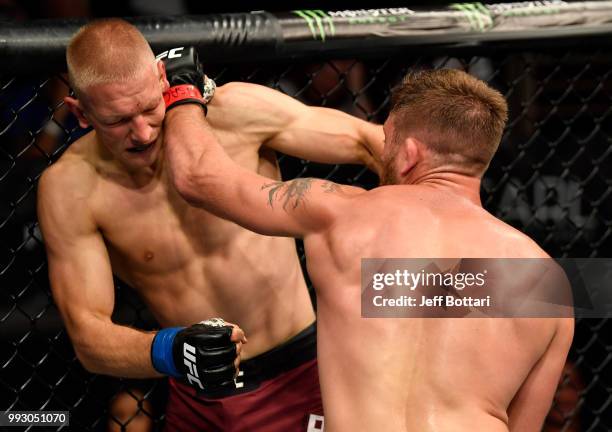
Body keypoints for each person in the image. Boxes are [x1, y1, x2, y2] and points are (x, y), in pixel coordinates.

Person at [163, 67, 575, 431]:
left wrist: (182, 90)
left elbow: (198, 177)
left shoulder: (340, 213)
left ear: (410, 153)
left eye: (388, 142)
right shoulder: (544, 281)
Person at [37, 19, 384, 432]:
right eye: (118, 121)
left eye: (150, 107)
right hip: (198, 396)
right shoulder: (70, 188)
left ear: (162, 78)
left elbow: (371, 143)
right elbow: (87, 336)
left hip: (303, 373)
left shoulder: (232, 114)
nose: (144, 132)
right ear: (81, 113)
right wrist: (169, 349)